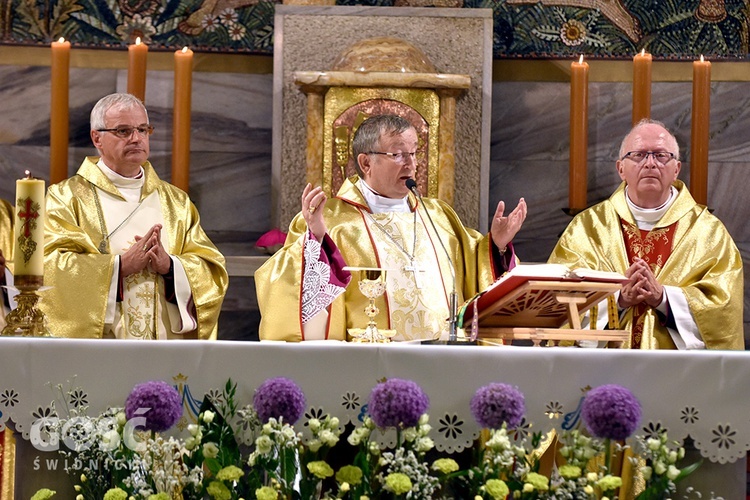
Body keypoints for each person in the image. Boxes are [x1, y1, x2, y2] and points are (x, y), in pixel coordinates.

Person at [256, 114, 527, 342]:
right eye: (397, 154)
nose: (411, 164)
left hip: (443, 360)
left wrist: (497, 246)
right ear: (366, 163)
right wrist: (315, 240)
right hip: (368, 365)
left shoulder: (438, 215)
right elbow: (291, 291)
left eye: (413, 153)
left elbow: (475, 271)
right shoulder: (330, 221)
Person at [41, 93, 228, 340]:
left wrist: (171, 267)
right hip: (103, 347)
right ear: (97, 138)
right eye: (123, 131)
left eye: (142, 129)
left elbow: (210, 268)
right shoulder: (66, 197)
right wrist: (119, 268)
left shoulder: (175, 201)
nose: (136, 138)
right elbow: (50, 266)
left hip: (165, 345)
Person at [549, 119, 743, 350]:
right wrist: (618, 300)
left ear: (676, 169)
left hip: (679, 374)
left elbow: (724, 307)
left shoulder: (707, 232)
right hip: (603, 370)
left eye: (661, 155)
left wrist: (663, 299)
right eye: (639, 155)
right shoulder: (587, 228)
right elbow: (557, 298)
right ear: (621, 168)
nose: (650, 163)